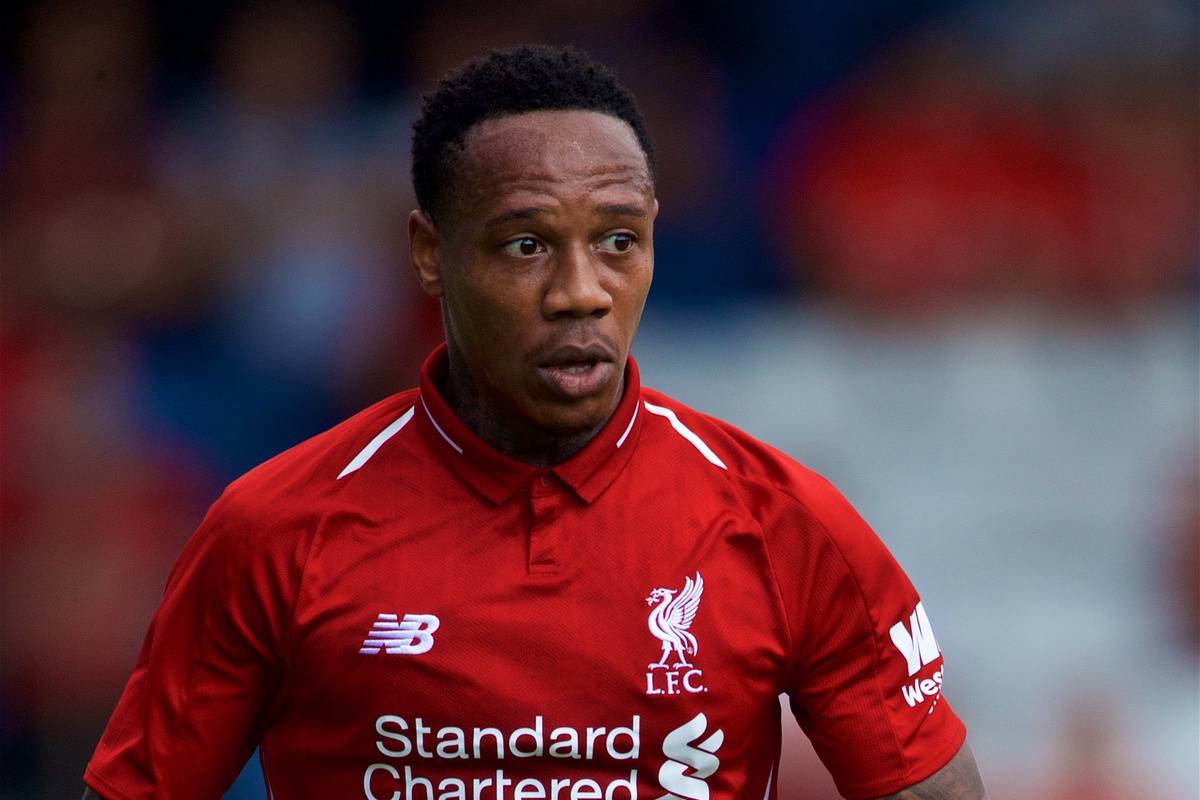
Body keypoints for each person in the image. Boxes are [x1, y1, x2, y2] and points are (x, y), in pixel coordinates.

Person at [83, 45, 987, 800]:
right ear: (430, 255)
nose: (580, 292)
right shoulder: (273, 528)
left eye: (618, 241)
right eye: (527, 244)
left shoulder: (785, 523)